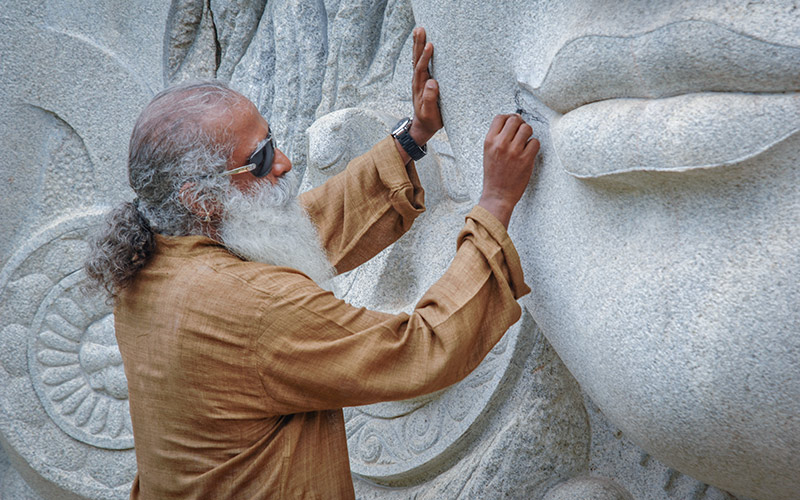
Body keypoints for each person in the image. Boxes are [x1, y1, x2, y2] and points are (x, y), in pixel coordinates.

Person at [85, 27, 540, 499]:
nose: (282, 162)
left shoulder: (152, 259)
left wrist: (414, 136)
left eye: (271, 141)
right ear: (202, 198)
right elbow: (421, 349)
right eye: (259, 160)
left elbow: (305, 229)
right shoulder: (252, 307)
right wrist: (495, 204)